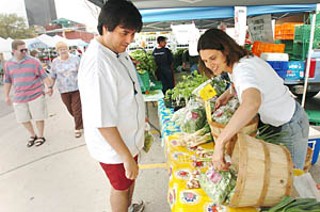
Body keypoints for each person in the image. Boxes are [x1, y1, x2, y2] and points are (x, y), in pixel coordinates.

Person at [197, 29, 309, 170]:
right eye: (205, 61)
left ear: (226, 51)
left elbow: (252, 104)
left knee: (289, 178)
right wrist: (228, 93)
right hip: (275, 124)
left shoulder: (243, 69)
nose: (209, 65)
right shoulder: (237, 63)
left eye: (213, 58)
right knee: (274, 174)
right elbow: (241, 83)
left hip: (290, 126)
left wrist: (220, 142)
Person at [78, 0, 145, 212]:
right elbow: (103, 121)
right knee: (120, 188)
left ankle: (129, 207)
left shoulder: (117, 51)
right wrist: (125, 156)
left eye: (133, 34)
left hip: (127, 139)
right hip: (115, 147)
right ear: (106, 28)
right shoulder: (98, 64)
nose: (129, 40)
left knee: (129, 181)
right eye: (124, 33)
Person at [3, 40, 53, 147]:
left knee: (39, 117)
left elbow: (43, 76)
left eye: (26, 49)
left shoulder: (34, 62)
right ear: (14, 51)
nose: (25, 52)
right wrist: (6, 95)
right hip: (19, 96)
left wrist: (49, 87)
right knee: (23, 119)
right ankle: (32, 134)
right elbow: (7, 81)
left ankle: (40, 136)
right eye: (22, 50)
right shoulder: (8, 64)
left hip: (36, 94)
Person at [50, 41, 83, 138]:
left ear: (68, 49)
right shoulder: (55, 62)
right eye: (60, 49)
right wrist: (50, 87)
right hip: (63, 90)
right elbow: (53, 76)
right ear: (57, 51)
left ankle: (77, 128)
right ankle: (81, 120)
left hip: (76, 88)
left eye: (64, 49)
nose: (63, 51)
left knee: (76, 109)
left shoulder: (75, 59)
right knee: (70, 109)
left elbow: (82, 71)